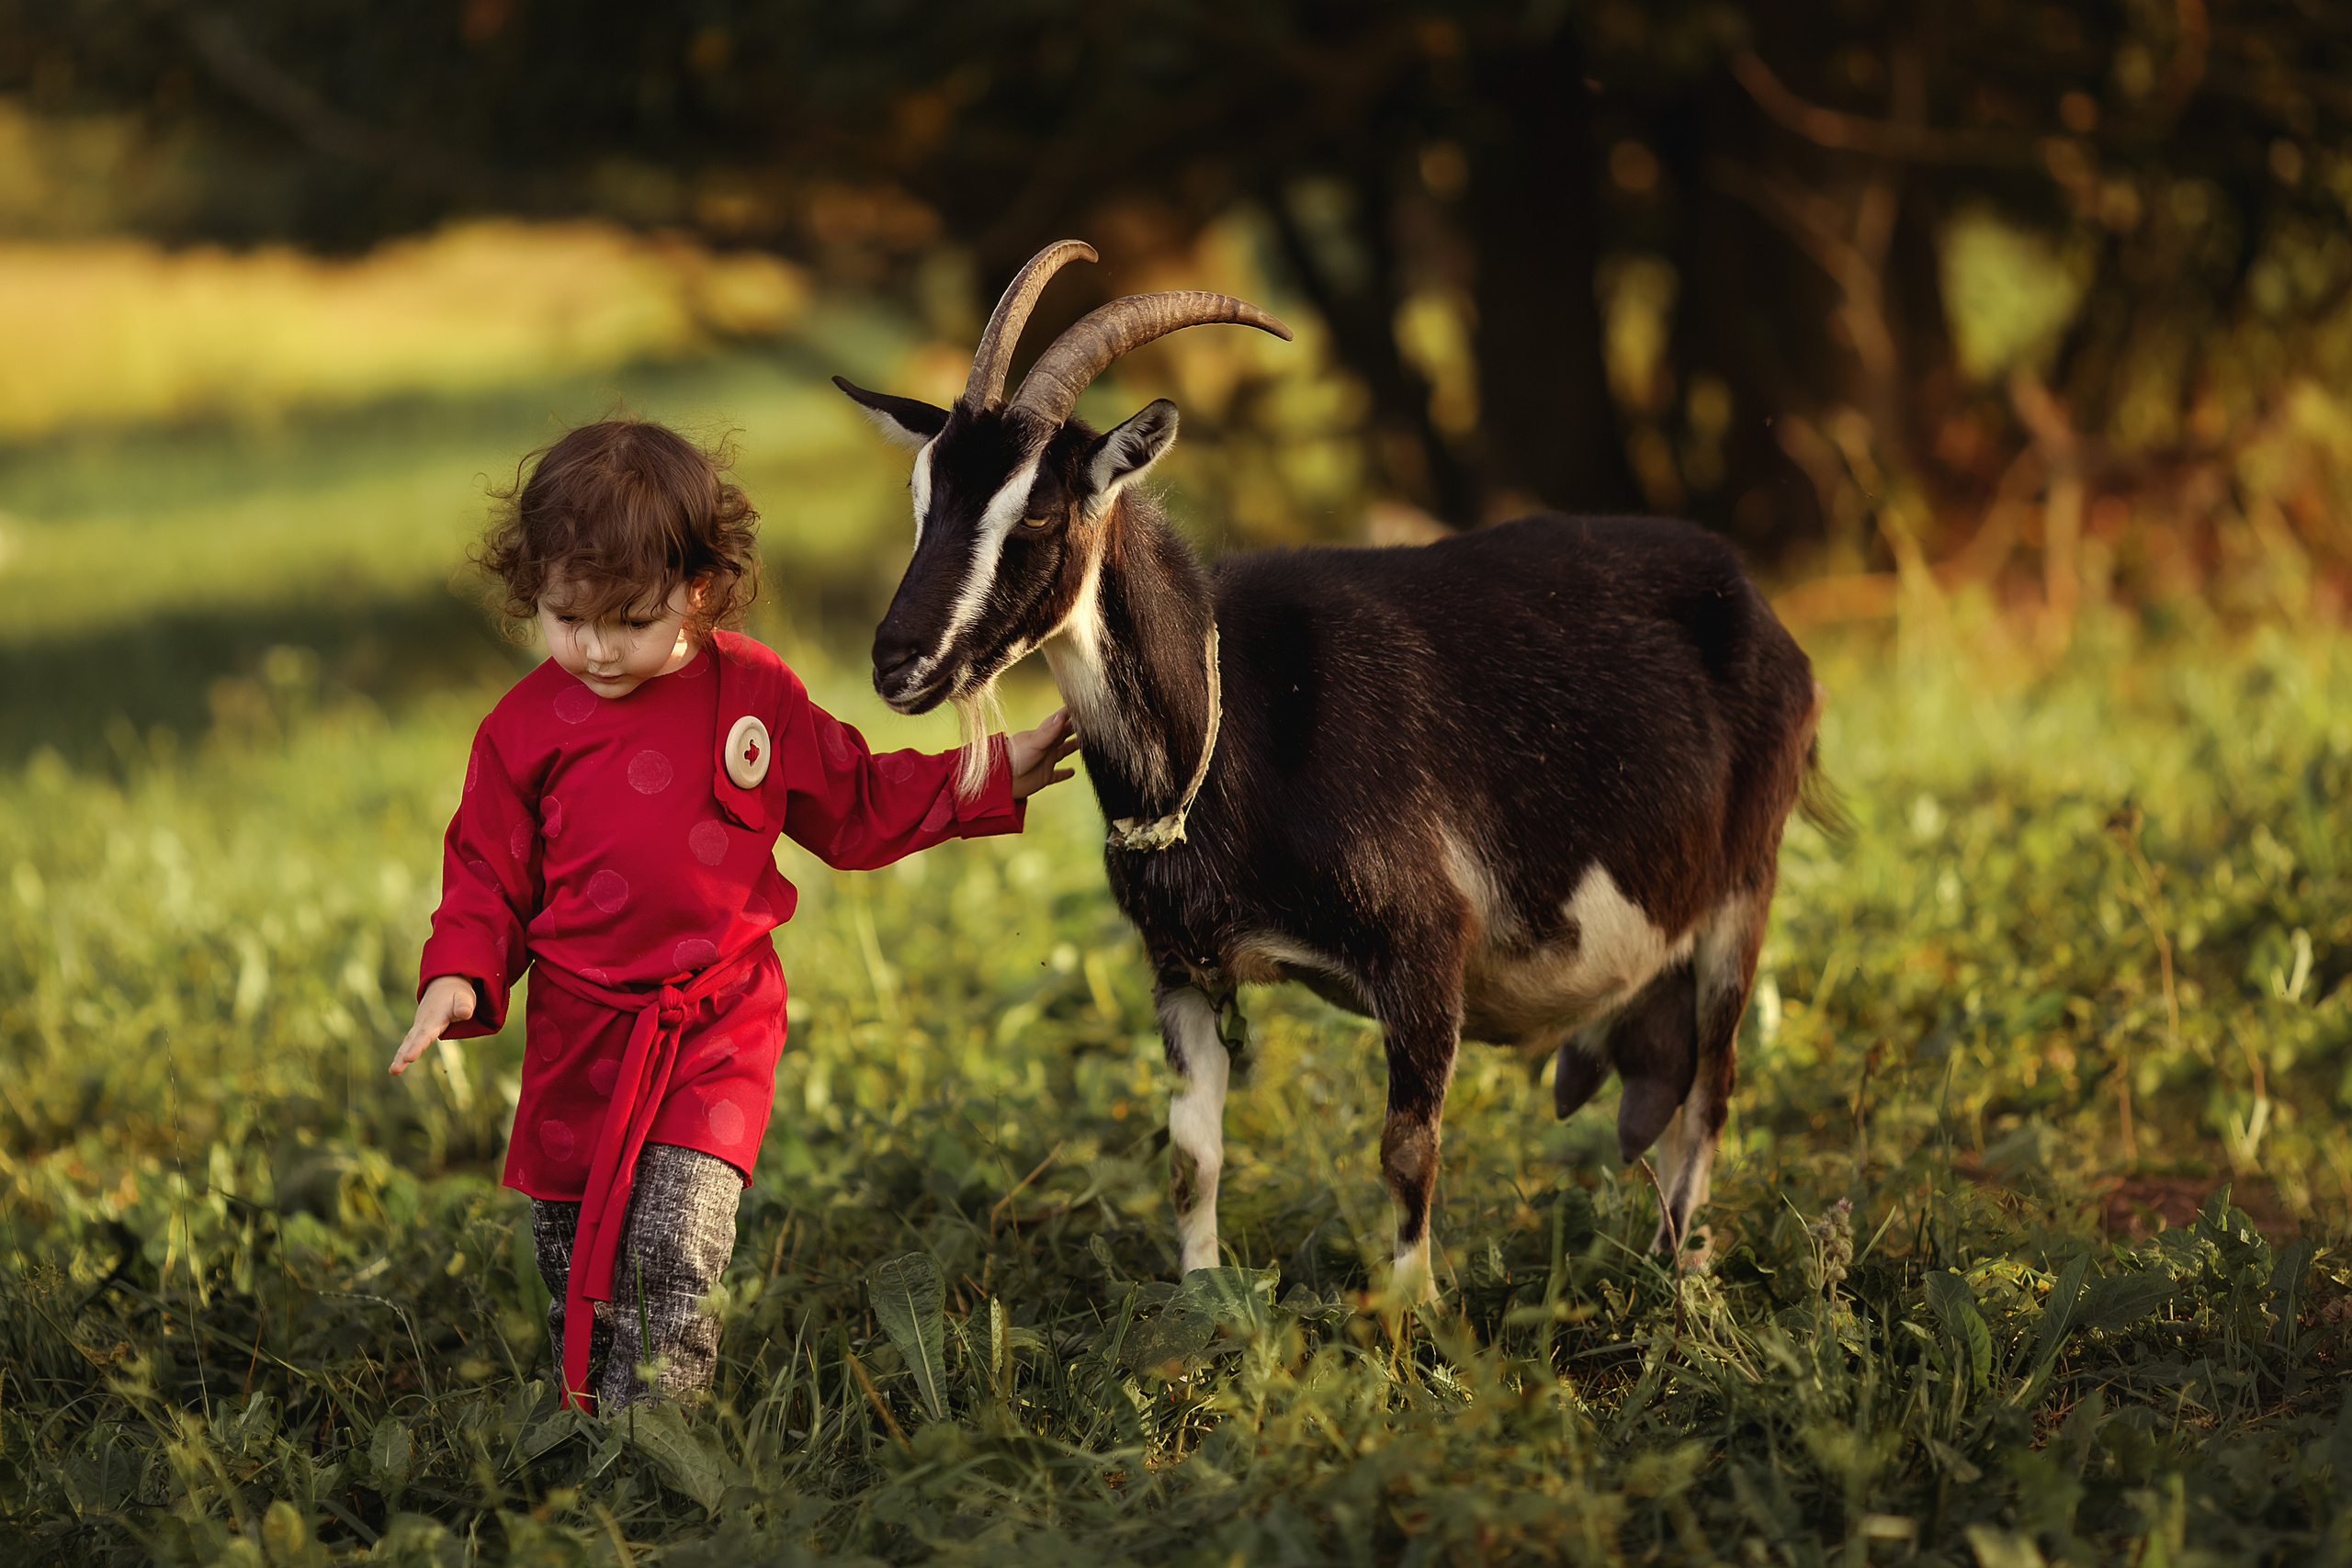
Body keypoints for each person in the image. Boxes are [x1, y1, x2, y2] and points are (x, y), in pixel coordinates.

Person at [387, 418, 1076, 1414]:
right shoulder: (524, 729)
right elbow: (488, 873)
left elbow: (853, 802)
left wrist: (981, 774)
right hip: (581, 1031)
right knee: (570, 1244)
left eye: (630, 621)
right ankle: (591, 1408)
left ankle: (660, 1425)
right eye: (565, 618)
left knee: (674, 1238)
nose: (595, 648)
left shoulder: (751, 692)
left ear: (698, 590)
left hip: (715, 1020)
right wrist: (458, 973)